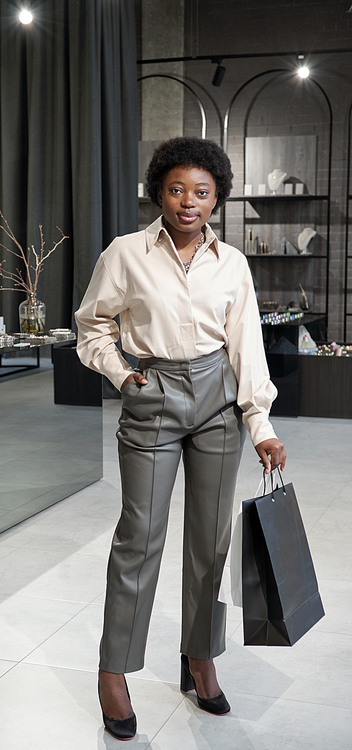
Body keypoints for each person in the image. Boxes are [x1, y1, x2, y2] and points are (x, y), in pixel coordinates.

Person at [75, 136, 286, 741]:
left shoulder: (233, 264)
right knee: (138, 538)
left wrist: (260, 424)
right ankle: (113, 671)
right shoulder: (126, 253)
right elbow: (91, 324)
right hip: (152, 395)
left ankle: (200, 657)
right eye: (176, 189)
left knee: (210, 543)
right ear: (158, 192)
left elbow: (246, 345)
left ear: (217, 197)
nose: (188, 202)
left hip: (218, 400)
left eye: (201, 191)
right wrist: (121, 373)